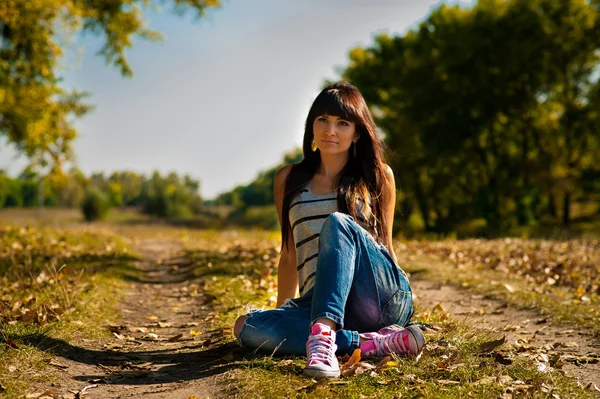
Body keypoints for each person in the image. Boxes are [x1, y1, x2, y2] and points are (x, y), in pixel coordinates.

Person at [233, 81, 424, 378]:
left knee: (338, 223)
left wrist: (402, 304)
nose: (329, 131)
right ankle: (369, 342)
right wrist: (285, 312)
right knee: (246, 327)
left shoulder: (378, 176)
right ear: (311, 126)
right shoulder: (289, 179)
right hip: (318, 300)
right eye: (322, 120)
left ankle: (322, 335)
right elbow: (288, 255)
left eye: (342, 123)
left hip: (375, 297)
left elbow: (385, 245)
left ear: (357, 132)